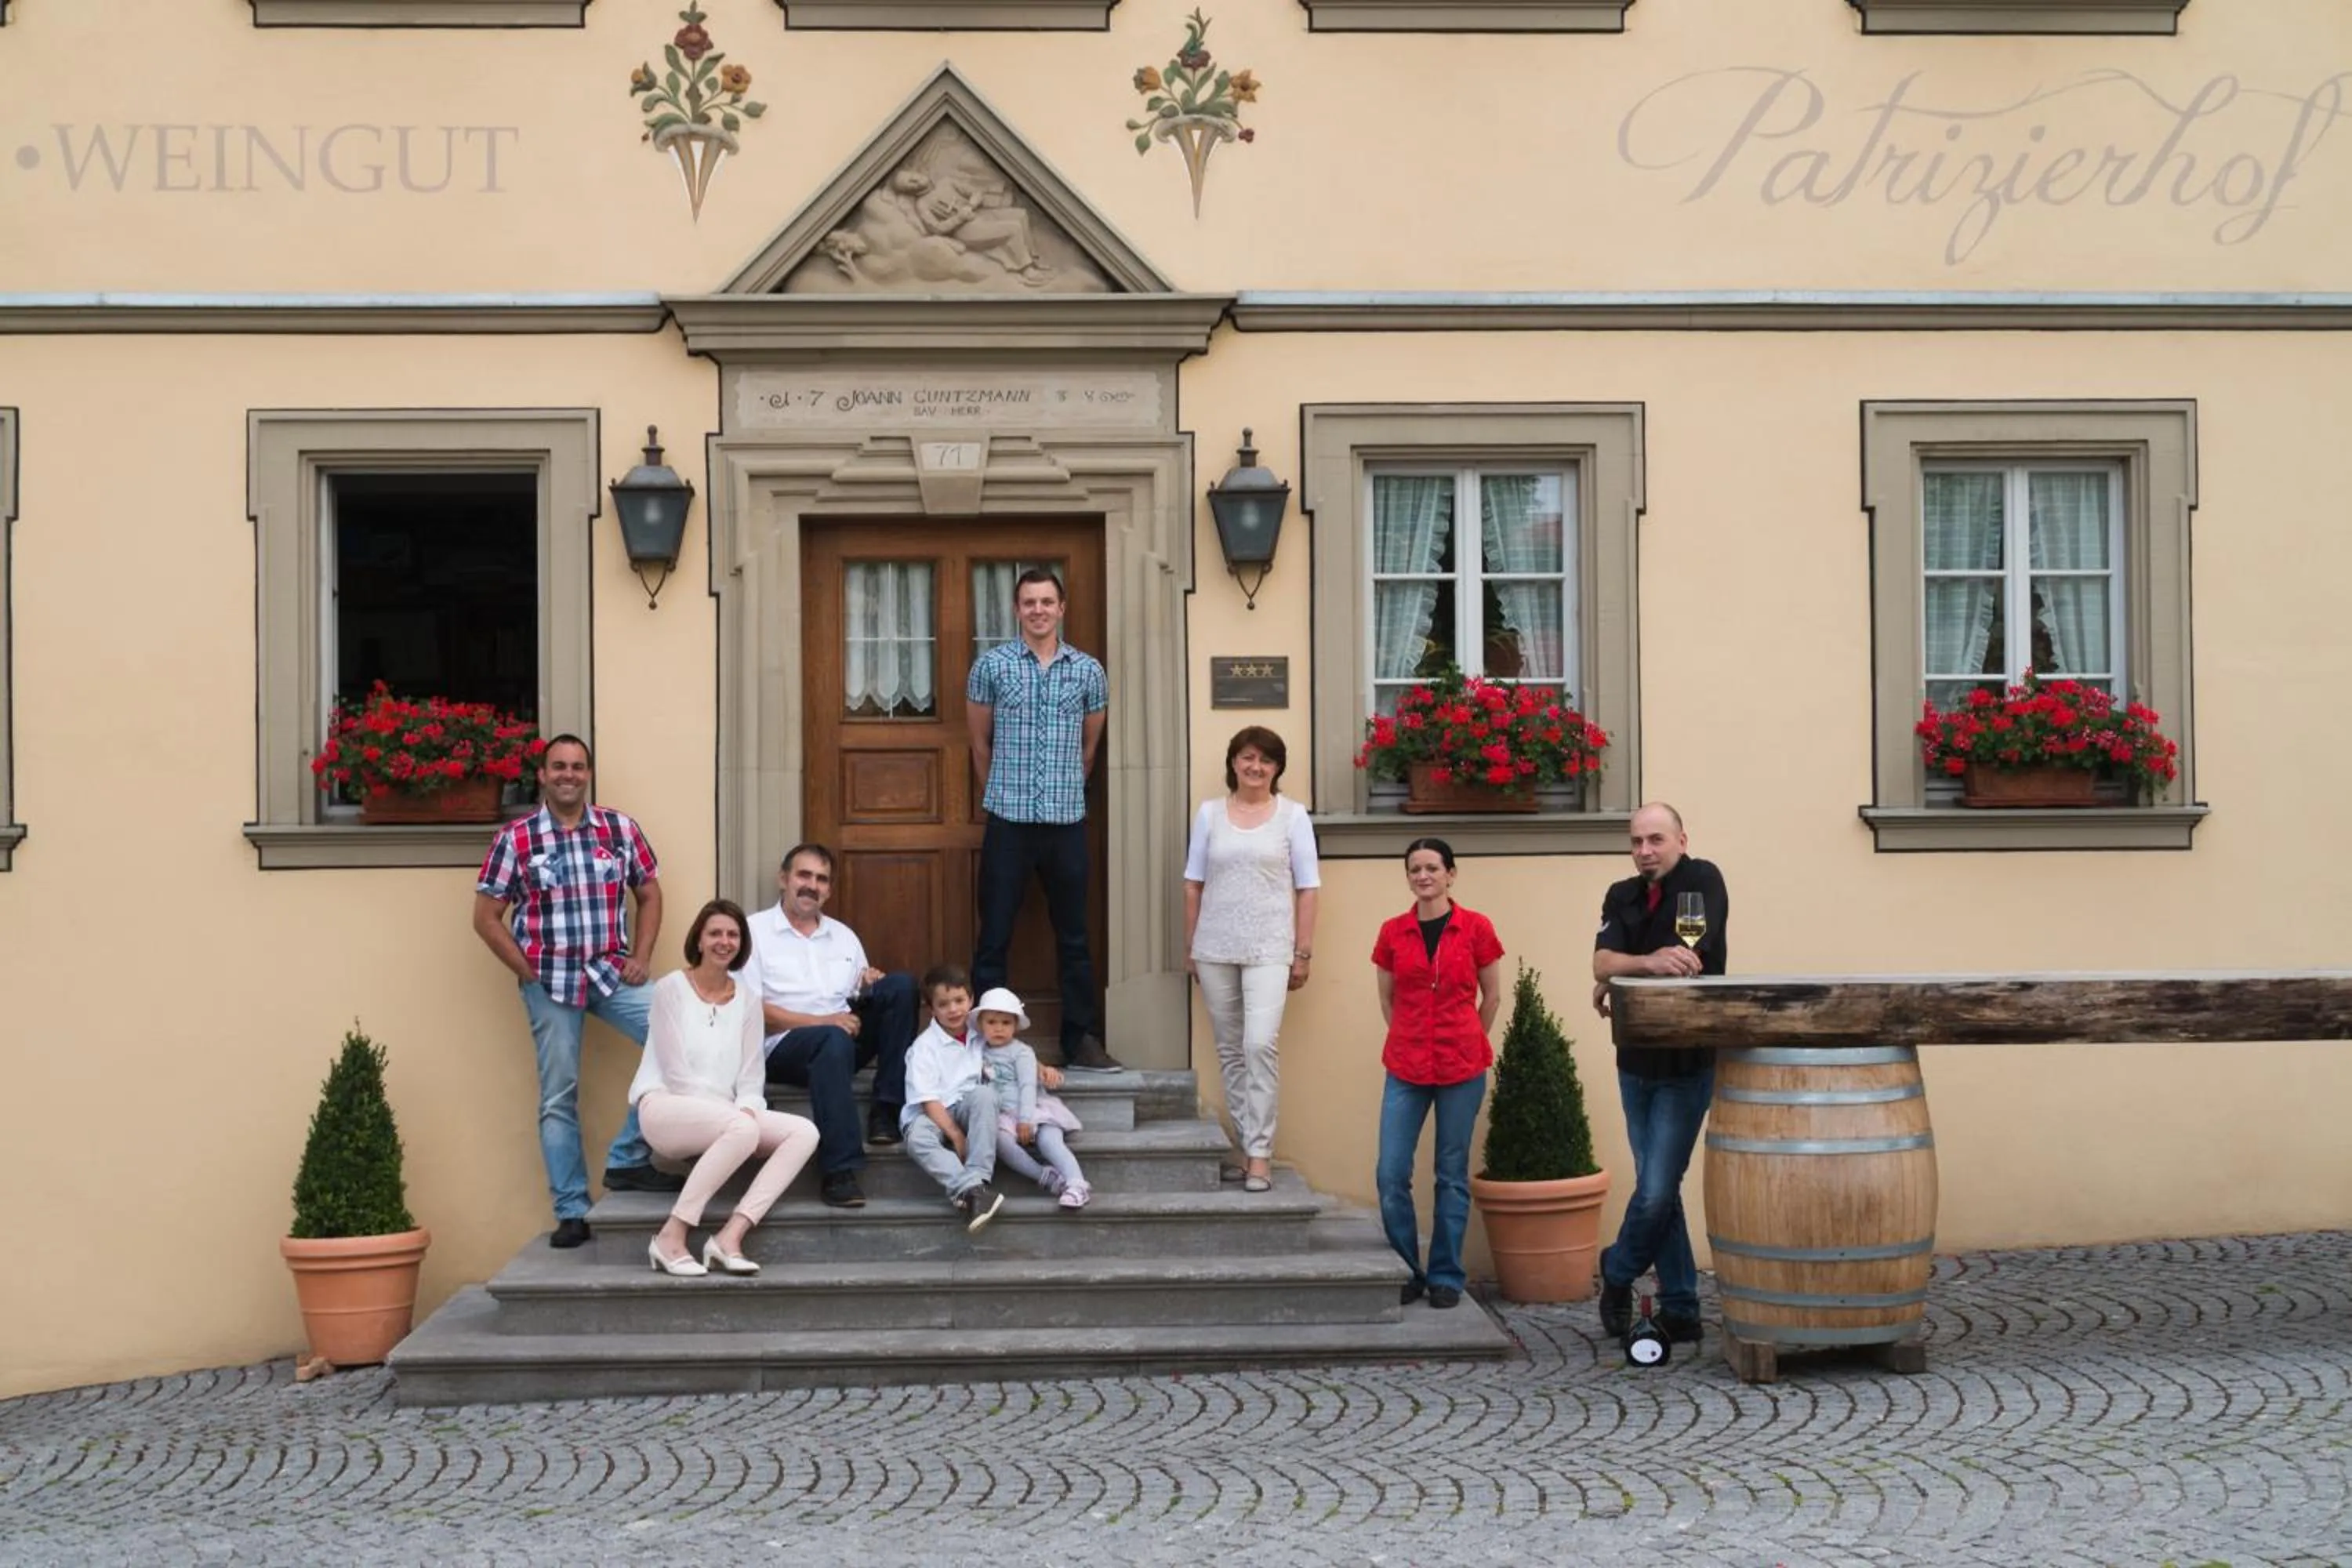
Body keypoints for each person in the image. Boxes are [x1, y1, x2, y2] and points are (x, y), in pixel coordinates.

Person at [473, 734, 683, 1250]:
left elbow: (650, 892)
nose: (569, 774)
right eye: (558, 767)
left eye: (578, 766)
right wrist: (526, 970)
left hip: (612, 973)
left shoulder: (619, 829)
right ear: (542, 776)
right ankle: (572, 1210)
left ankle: (628, 1159)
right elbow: (485, 918)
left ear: (588, 774)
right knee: (559, 1097)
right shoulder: (516, 838)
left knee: (681, 1039)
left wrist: (642, 956)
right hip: (551, 981)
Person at [966, 567, 1118, 1073]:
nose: (1038, 610)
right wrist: (999, 792)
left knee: (1074, 935)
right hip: (1008, 820)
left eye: (1046, 602)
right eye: (1028, 602)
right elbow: (978, 742)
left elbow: (1089, 748)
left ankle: (1081, 1040)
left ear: (1061, 607)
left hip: (1066, 820)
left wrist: (1066, 785)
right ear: (1016, 610)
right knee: (995, 934)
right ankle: (984, 1043)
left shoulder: (1088, 671)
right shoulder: (992, 666)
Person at [1590, 802, 1730, 1347]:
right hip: (1635, 1060)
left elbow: (1689, 958)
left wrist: (1626, 966)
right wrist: (1641, 964)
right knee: (1662, 1188)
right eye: (1636, 842)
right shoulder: (1620, 894)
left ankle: (1618, 1271)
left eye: (1655, 840)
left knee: (1652, 1191)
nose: (1644, 851)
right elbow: (1602, 963)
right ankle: (1682, 1307)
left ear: (1680, 840)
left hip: (1686, 1060)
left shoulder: (1702, 879)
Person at [629, 899, 821, 1277]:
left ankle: (730, 1236)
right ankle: (671, 1236)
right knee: (742, 1127)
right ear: (699, 940)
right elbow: (675, 1072)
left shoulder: (748, 1002)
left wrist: (746, 1109)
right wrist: (736, 1118)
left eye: (733, 935)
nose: (724, 941)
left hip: (728, 1119)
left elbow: (752, 1078)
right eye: (715, 933)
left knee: (803, 1131)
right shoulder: (670, 989)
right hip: (666, 1107)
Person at [1184, 725, 1320, 1195]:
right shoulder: (1209, 815)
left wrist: (1302, 952)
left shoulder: (1292, 816)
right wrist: (1192, 946)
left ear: (1277, 767)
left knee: (1258, 1045)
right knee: (1230, 1050)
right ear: (1234, 763)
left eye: (1265, 760)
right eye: (1246, 758)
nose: (1255, 767)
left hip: (1270, 947)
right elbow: (1193, 883)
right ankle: (1250, 1147)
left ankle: (1260, 1152)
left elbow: (1308, 887)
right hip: (1216, 945)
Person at [748, 844, 921, 1211]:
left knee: (902, 987)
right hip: (783, 1045)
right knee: (831, 1039)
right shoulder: (755, 932)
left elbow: (854, 993)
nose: (812, 885)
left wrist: (869, 984)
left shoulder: (843, 936)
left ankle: (886, 1111)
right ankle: (839, 1169)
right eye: (804, 875)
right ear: (784, 879)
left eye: (822, 879)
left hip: (841, 1039)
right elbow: (753, 1012)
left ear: (829, 889)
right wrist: (825, 1022)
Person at [1370, 838, 1504, 1311]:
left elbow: (1492, 997)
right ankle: (1409, 1268)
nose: (1423, 876)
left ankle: (1447, 1275)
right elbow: (1388, 1000)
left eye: (1432, 868)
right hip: (1406, 1066)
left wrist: (1470, 1038)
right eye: (1415, 869)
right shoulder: (1392, 933)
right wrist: (1411, 1036)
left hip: (1461, 1065)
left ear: (1451, 874)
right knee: (1391, 1173)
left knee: (1451, 1174)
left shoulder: (1476, 928)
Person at [901, 965, 1006, 1232]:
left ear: (971, 1000)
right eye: (944, 1004)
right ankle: (970, 1189)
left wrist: (1037, 1066)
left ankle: (979, 1177)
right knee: (918, 1139)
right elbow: (928, 1101)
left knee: (985, 1094)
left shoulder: (980, 1033)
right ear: (931, 1009)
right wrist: (957, 1136)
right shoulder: (924, 1048)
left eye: (959, 1001)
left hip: (966, 1104)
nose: (954, 1010)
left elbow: (1009, 1052)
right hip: (931, 1112)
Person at [975, 986, 1091, 1210]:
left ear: (1016, 1026)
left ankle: (1077, 1183)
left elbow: (1028, 1085)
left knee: (1050, 1141)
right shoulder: (978, 1052)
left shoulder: (1022, 1052)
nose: (999, 1028)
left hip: (1034, 1110)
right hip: (1002, 1115)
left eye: (1006, 1023)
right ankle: (1045, 1177)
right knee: (999, 1143)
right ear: (980, 1025)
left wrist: (1025, 1118)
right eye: (991, 1022)